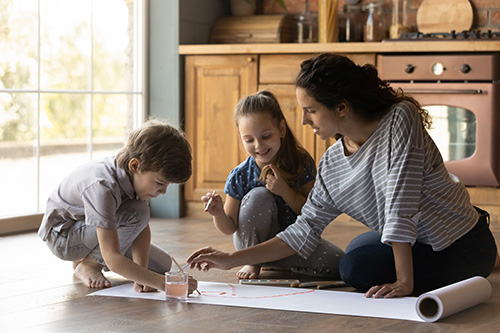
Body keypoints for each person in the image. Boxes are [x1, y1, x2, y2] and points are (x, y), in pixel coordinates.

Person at [187, 53, 498, 298]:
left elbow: (401, 204)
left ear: (341, 107)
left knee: (355, 267)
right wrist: (229, 258)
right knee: (357, 250)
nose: (305, 121)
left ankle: (487, 260)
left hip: (460, 242)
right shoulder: (333, 161)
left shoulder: (400, 120)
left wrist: (404, 282)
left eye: (310, 110)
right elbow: (303, 229)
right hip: (418, 242)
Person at [38, 119, 197, 294]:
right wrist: (162, 284)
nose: (163, 191)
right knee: (138, 214)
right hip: (63, 238)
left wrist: (142, 275)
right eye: (160, 183)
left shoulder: (137, 178)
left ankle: (86, 260)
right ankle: (89, 265)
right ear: (135, 165)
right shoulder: (103, 186)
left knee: (164, 266)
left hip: (92, 228)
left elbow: (142, 228)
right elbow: (113, 258)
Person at [201, 90, 344, 280]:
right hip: (250, 247)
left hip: (291, 244)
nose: (259, 146)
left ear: (282, 129)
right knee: (258, 196)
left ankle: (278, 262)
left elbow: (311, 212)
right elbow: (229, 227)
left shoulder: (301, 162)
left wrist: (285, 192)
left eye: (266, 136)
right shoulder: (240, 175)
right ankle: (255, 261)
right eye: (249, 140)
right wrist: (218, 214)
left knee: (337, 263)